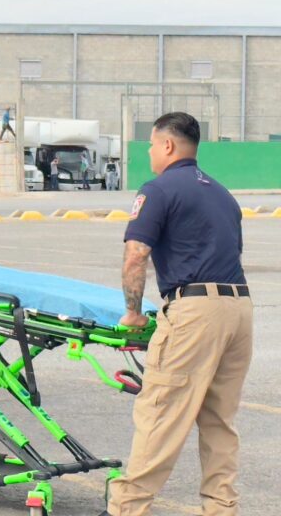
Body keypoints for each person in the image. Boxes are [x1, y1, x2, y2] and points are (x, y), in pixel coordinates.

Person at [105, 112, 252, 516]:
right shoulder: (223, 194)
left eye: (152, 145)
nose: (150, 153)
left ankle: (127, 509)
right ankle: (221, 509)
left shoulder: (158, 190)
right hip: (239, 310)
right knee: (219, 422)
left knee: (161, 413)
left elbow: (136, 255)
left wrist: (133, 313)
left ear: (167, 145)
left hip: (195, 313)